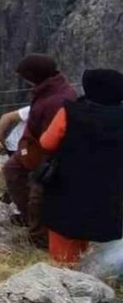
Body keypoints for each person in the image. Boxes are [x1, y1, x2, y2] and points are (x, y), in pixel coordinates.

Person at [40, 69, 123, 264]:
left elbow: (46, 142)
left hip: (67, 186)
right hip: (108, 191)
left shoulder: (70, 112)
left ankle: (65, 277)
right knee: (95, 241)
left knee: (63, 246)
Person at [1, 54, 76, 248]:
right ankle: (30, 219)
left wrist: (39, 159)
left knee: (38, 193)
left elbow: (54, 136)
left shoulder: (57, 99)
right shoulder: (48, 90)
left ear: (34, 75)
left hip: (48, 153)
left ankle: (40, 236)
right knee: (12, 170)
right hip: (33, 146)